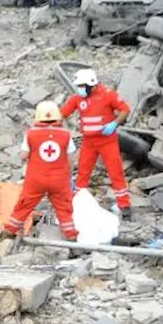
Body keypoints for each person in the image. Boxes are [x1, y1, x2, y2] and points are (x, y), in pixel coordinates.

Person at [61, 69, 134, 219]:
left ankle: (124, 205)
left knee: (116, 172)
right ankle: (76, 202)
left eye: (82, 85)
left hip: (107, 141)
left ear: (91, 85)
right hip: (89, 141)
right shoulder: (77, 98)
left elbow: (125, 109)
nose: (79, 88)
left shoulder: (108, 95)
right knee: (83, 172)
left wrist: (114, 123)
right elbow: (63, 113)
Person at [3, 101, 79, 241]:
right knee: (64, 207)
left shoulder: (31, 134)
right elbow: (71, 158)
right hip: (59, 179)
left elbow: (23, 156)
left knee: (25, 204)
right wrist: (69, 174)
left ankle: (10, 231)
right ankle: (71, 235)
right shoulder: (65, 134)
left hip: (36, 179)